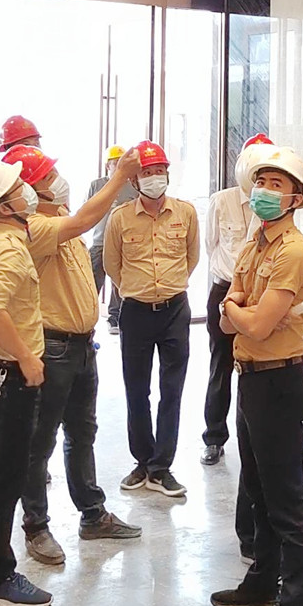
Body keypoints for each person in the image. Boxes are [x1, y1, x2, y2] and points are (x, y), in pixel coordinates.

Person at [3, 143, 143, 566]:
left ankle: (92, 513)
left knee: (82, 433)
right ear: (29, 190)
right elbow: (85, 219)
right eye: (48, 177)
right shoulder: (34, 228)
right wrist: (119, 178)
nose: (57, 181)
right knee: (40, 441)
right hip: (52, 347)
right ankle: (36, 525)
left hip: (81, 346)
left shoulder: (59, 222)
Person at [209, 145, 303, 606]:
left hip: (279, 381)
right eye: (261, 182)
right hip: (250, 378)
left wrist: (236, 309)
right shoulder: (255, 243)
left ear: (296, 198)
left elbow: (251, 322)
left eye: (277, 185)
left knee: (287, 502)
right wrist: (237, 311)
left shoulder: (292, 251)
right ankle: (261, 582)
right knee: (256, 488)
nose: (265, 192)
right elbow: (227, 320)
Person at [102, 141, 200, 498]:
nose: (155, 178)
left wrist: (169, 286)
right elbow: (112, 265)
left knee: (172, 390)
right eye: (147, 172)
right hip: (136, 312)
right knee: (136, 390)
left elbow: (191, 257)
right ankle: (142, 461)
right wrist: (137, 288)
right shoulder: (120, 218)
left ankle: (161, 467)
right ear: (134, 180)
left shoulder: (186, 213)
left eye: (160, 171)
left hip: (175, 310)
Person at [202, 134, 271, 465]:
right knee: (221, 364)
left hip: (261, 293)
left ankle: (255, 436)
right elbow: (209, 245)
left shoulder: (273, 204)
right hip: (225, 289)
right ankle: (214, 437)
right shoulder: (222, 200)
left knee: (257, 366)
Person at [87, 145, 135, 334]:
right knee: (91, 284)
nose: (119, 166)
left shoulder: (133, 186)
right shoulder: (97, 185)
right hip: (99, 242)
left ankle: (114, 317)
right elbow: (86, 211)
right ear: (108, 166)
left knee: (119, 284)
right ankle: (86, 321)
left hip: (124, 244)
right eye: (115, 163)